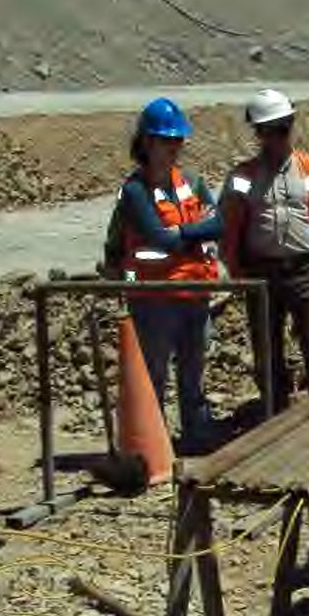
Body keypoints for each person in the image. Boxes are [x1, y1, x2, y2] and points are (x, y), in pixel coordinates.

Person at [105, 97, 225, 450]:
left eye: (178, 141)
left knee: (193, 372)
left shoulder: (191, 180)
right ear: (147, 142)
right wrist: (193, 231)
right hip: (153, 297)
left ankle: (196, 437)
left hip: (195, 293)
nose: (174, 148)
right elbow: (158, 237)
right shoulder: (134, 191)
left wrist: (182, 236)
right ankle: (151, 447)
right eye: (166, 141)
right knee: (153, 374)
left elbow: (219, 223)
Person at [221, 88, 309, 411]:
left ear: (291, 126)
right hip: (260, 274)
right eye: (268, 131)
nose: (276, 138)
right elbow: (225, 227)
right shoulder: (242, 178)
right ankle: (273, 413)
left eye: (282, 129)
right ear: (258, 133)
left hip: (307, 270)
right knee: (267, 352)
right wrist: (236, 271)